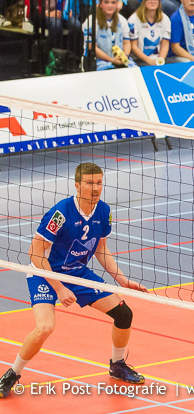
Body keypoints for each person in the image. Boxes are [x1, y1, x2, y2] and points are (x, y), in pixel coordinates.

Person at [0, 163, 149, 399]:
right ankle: (11, 374)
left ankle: (117, 365)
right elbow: (35, 253)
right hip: (45, 272)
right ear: (77, 185)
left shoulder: (104, 211)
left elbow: (101, 249)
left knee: (123, 314)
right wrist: (58, 287)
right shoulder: (61, 213)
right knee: (45, 327)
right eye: (90, 183)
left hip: (76, 272)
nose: (95, 188)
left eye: (99, 183)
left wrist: (122, 279)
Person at [84, 0, 136, 70]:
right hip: (99, 60)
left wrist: (124, 57)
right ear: (100, 4)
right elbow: (91, 47)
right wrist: (112, 60)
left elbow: (126, 43)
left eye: (113, 3)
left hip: (119, 60)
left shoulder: (122, 20)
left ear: (116, 5)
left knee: (135, 71)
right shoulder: (92, 20)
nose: (110, 6)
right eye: (106, 2)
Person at [128, 0, 171, 66]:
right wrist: (150, 61)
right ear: (143, 1)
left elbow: (165, 44)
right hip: (140, 60)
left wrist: (160, 60)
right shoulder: (133, 19)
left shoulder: (165, 19)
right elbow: (133, 46)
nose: (152, 1)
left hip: (157, 59)